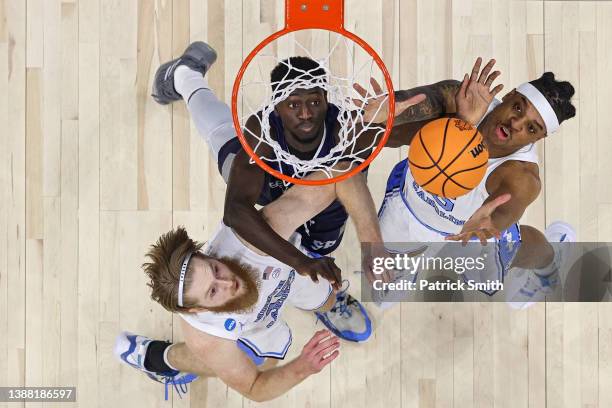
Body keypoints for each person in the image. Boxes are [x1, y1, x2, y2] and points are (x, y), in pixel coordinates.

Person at [150, 42, 421, 291]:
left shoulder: (353, 129)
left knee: (320, 251)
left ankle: (322, 290)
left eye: (314, 102)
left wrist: (395, 118)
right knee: (220, 133)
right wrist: (299, 262)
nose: (305, 113)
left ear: (327, 100)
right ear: (276, 106)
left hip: (327, 201)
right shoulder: (261, 130)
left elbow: (428, 130)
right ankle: (185, 76)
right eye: (293, 105)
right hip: (266, 189)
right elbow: (235, 211)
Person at [114, 168, 376, 402]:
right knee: (261, 363)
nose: (228, 282)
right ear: (196, 310)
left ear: (208, 254)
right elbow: (255, 388)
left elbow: (340, 175)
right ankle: (163, 359)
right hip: (254, 326)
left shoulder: (254, 237)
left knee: (328, 295)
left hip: (289, 273)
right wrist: (304, 366)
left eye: (215, 269)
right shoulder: (205, 335)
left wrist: (372, 246)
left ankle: (332, 303)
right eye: (213, 291)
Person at [376, 58, 577, 306]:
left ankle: (549, 260)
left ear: (540, 138)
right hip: (409, 207)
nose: (515, 124)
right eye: (517, 109)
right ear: (509, 95)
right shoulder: (462, 100)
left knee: (497, 264)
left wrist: (482, 229)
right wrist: (459, 123)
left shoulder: (521, 178)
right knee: (382, 293)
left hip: (467, 231)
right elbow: (391, 128)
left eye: (531, 128)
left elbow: (494, 224)